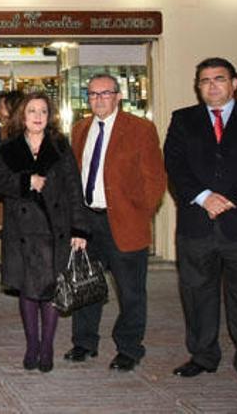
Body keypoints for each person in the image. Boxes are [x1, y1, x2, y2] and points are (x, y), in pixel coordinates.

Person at [164, 57, 237, 394]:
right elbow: (175, 165)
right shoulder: (183, 120)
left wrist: (225, 200)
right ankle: (202, 356)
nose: (212, 86)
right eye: (205, 80)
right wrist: (203, 197)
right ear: (197, 86)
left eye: (219, 79)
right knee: (197, 295)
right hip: (196, 224)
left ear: (234, 83)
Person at [63, 74, 166, 372]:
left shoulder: (140, 129)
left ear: (118, 96)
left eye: (105, 93)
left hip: (123, 222)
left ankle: (129, 348)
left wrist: (137, 213)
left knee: (131, 291)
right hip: (87, 223)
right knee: (86, 286)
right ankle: (84, 343)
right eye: (92, 94)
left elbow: (155, 180)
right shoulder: (80, 128)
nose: (98, 99)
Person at [0, 92, 89, 373]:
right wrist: (25, 181)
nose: (37, 116)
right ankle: (32, 344)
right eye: (32, 110)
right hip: (22, 231)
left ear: (50, 116)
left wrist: (79, 228)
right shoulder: (8, 148)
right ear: (23, 115)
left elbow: (73, 189)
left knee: (50, 290)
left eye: (43, 111)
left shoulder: (59, 146)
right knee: (28, 290)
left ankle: (47, 348)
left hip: (53, 229)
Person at [0, 90, 23, 293]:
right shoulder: (26, 135)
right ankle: (12, 280)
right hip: (10, 202)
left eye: (1, 106)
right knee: (8, 246)